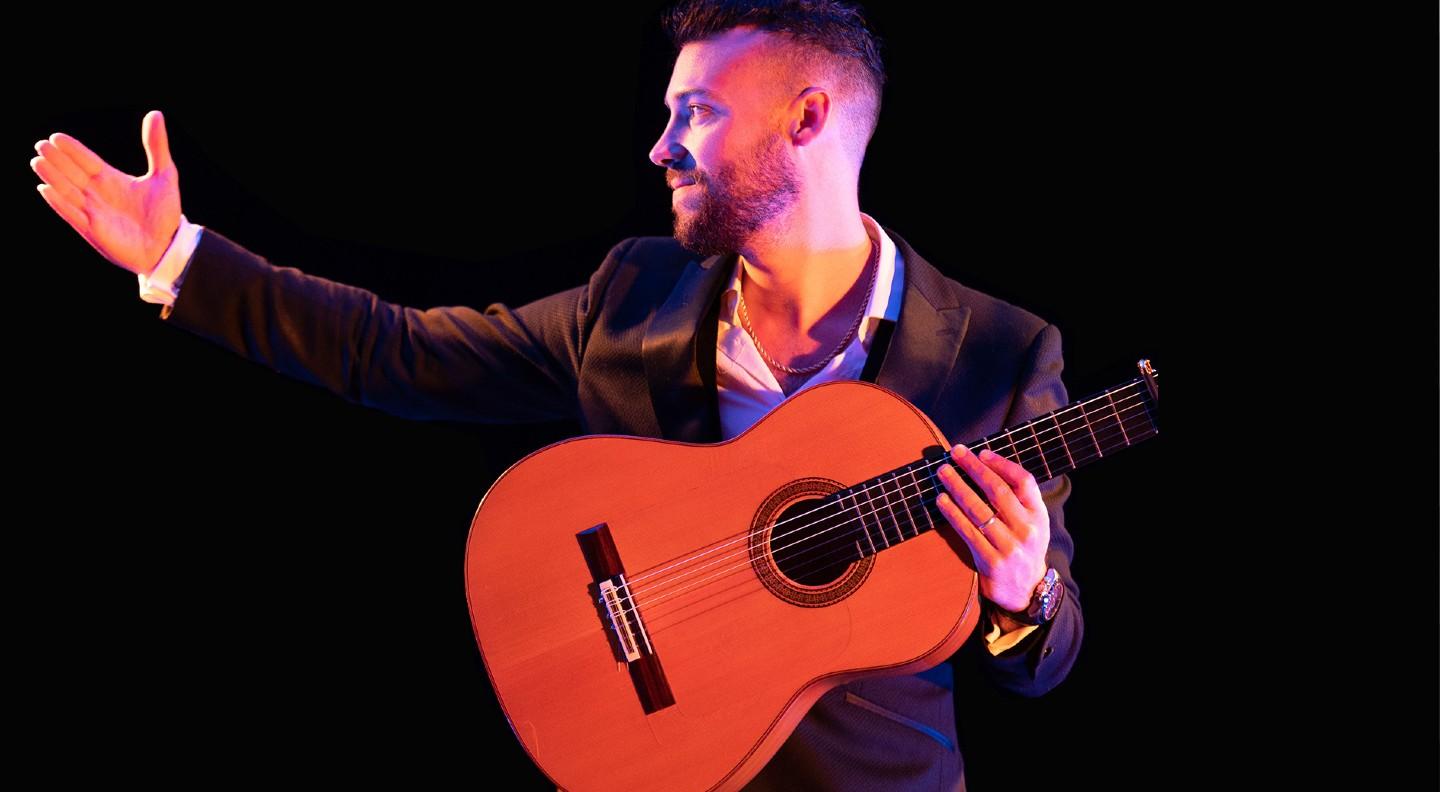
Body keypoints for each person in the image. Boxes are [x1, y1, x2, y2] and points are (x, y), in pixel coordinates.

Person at [29, 1, 1081, 789]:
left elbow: (1046, 658)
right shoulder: (635, 295)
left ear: (808, 119)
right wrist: (178, 256)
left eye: (697, 113)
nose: (660, 145)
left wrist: (1023, 594)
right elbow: (394, 352)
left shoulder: (995, 354)